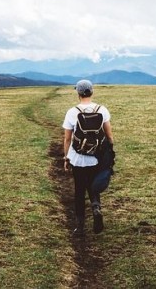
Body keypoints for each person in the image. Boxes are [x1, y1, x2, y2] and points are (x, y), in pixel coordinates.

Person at [62, 80, 114, 237]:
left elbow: (67, 139)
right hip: (96, 157)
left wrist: (66, 158)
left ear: (78, 93)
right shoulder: (101, 109)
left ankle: (80, 226)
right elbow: (109, 135)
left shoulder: (72, 112)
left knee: (79, 190)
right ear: (92, 92)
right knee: (94, 186)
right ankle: (96, 207)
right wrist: (109, 153)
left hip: (78, 158)